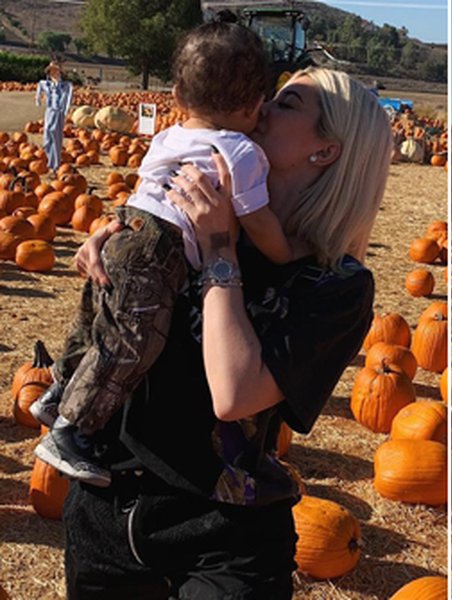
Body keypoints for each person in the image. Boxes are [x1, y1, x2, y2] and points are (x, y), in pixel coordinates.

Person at [59, 67, 392, 598]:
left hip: (222, 541)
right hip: (105, 516)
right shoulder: (182, 220)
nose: (260, 106)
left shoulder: (334, 284)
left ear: (325, 151)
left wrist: (220, 253)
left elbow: (234, 395)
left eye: (286, 103)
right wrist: (116, 244)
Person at [31, 22, 297, 488]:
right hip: (158, 250)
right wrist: (288, 251)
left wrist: (107, 229)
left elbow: (142, 191)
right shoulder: (238, 151)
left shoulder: (168, 136)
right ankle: (72, 432)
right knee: (133, 342)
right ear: (254, 105)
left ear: (175, 95)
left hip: (127, 229)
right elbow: (259, 221)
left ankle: (58, 388)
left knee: (98, 322)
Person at [34, 61, 72, 171]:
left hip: (59, 112)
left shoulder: (66, 86)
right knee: (47, 135)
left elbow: (68, 99)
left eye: (56, 70)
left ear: (59, 72)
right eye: (51, 70)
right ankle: (50, 160)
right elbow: (39, 90)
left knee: (56, 136)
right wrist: (38, 99)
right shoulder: (45, 84)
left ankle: (55, 164)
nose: (53, 72)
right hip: (49, 111)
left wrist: (66, 110)